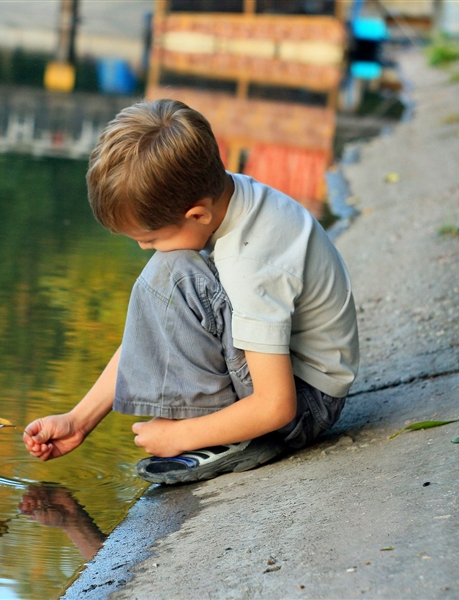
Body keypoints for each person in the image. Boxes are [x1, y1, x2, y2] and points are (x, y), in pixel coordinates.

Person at [23, 99, 359, 485]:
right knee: (168, 278)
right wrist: (78, 420)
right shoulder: (226, 196)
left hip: (305, 404)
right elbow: (156, 329)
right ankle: (217, 425)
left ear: (196, 214)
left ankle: (225, 439)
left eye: (149, 238)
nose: (144, 247)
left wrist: (180, 436)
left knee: (172, 276)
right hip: (293, 383)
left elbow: (277, 405)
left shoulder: (250, 261)